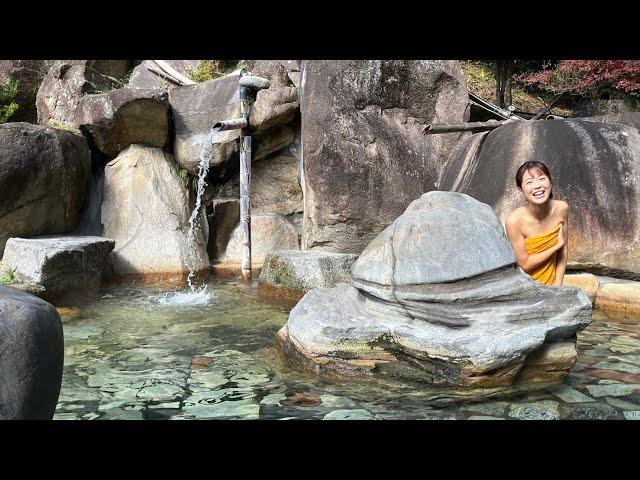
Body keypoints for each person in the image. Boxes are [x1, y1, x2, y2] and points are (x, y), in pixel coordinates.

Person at [505, 161, 568, 286]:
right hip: (526, 287)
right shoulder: (514, 221)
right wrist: (555, 246)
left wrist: (558, 286)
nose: (537, 185)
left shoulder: (562, 208)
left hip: (553, 286)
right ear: (521, 189)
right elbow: (524, 265)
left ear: (550, 182)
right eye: (529, 182)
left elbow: (563, 251)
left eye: (541, 179)